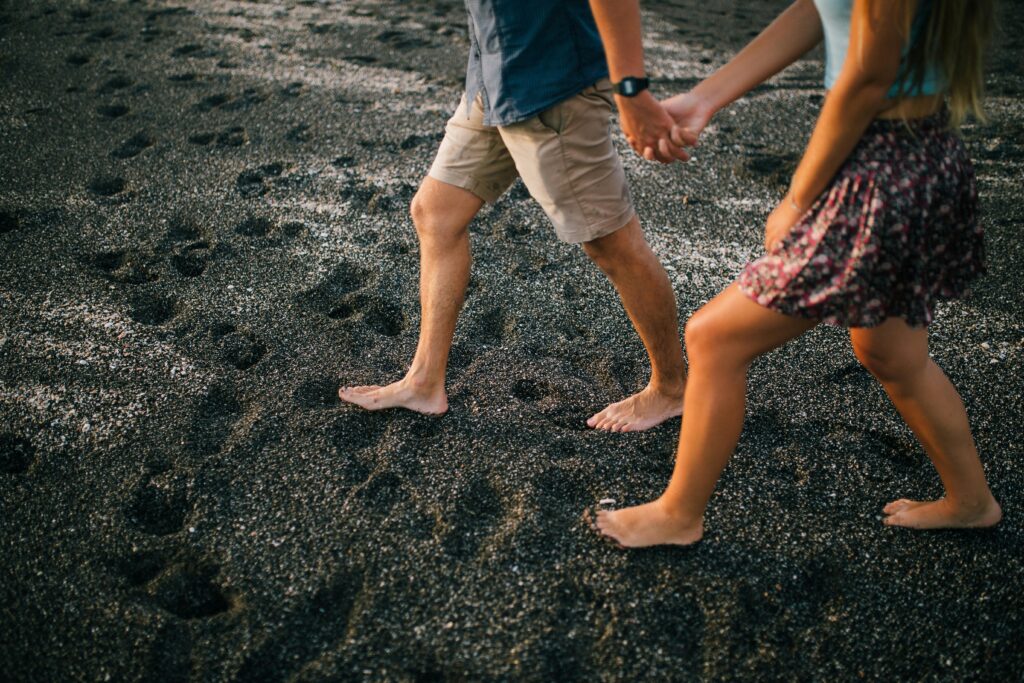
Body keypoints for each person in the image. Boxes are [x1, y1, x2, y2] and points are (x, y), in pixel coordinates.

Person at [590, 0, 1002, 547]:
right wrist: (705, 97)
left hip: (877, 174)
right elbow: (817, 7)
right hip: (921, 151)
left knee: (713, 337)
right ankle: (972, 501)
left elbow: (868, 76)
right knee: (893, 355)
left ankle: (678, 514)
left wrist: (798, 197)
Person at [339, 0, 696, 433]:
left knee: (611, 244)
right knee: (436, 213)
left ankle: (671, 387)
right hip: (493, 71)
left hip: (553, 79)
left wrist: (631, 88)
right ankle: (424, 382)